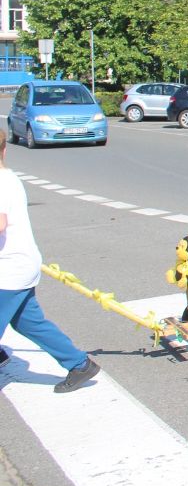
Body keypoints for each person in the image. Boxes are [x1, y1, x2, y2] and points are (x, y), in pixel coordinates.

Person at [0, 133, 99, 393]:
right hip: (20, 265)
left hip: (9, 270)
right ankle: (79, 364)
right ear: (5, 151)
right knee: (27, 322)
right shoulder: (9, 178)